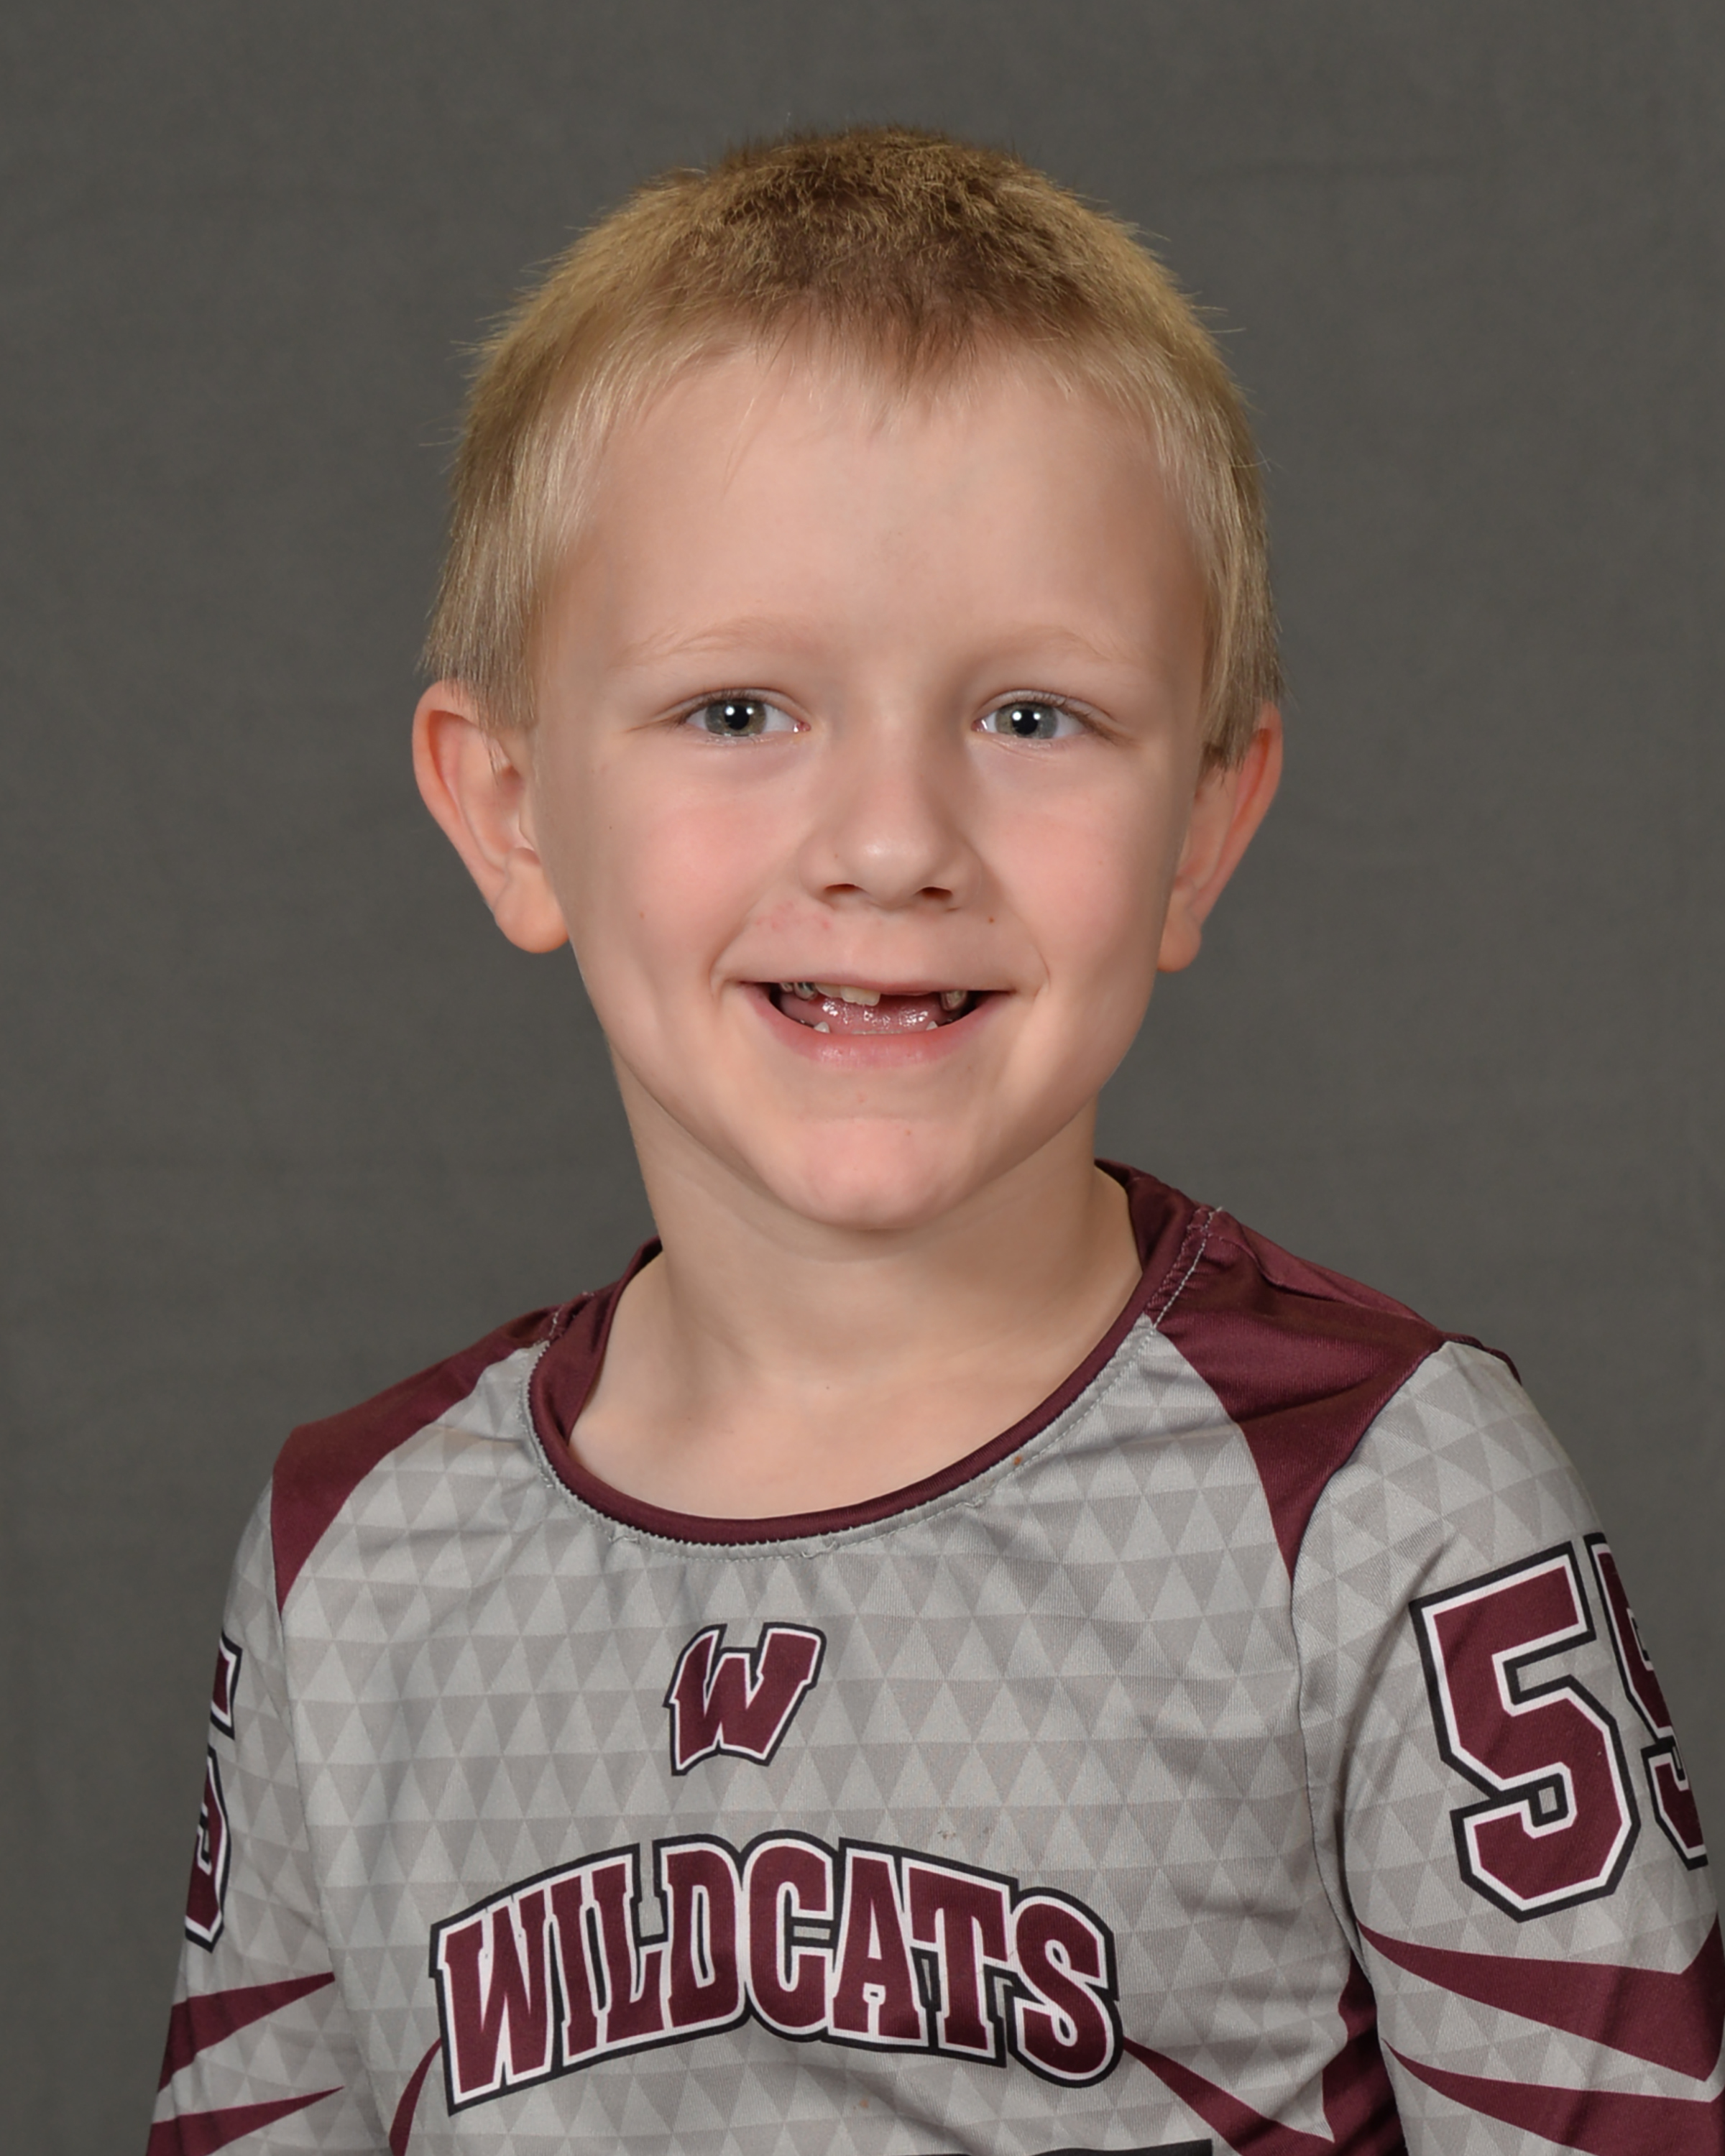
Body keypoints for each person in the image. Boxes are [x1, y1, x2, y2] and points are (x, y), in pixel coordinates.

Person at [150, 127, 1722, 2156]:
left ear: (1205, 824)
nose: (892, 844)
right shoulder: (348, 1562)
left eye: (1032, 716)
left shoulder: (1374, 1501)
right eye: (740, 711)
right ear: (511, 807)